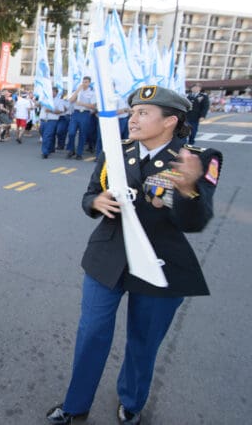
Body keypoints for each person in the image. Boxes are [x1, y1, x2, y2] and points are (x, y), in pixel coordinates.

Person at [46, 85, 223, 425]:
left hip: (161, 264)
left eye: (144, 113)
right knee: (91, 333)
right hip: (107, 256)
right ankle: (75, 403)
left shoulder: (198, 159)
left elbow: (195, 222)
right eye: (132, 112)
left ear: (170, 120)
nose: (133, 119)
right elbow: (90, 195)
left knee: (143, 342)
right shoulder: (116, 150)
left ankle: (132, 400)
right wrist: (95, 203)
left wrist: (185, 188)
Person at [66, 76, 96, 160]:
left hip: (85, 113)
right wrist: (77, 91)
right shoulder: (78, 91)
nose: (84, 84)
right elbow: (71, 100)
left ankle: (79, 153)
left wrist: (82, 104)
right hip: (76, 113)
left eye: (86, 82)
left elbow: (93, 106)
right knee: (71, 132)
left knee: (82, 134)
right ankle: (71, 150)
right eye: (83, 82)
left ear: (89, 83)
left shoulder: (92, 93)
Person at [41, 88, 67, 159]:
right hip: (43, 120)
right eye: (51, 91)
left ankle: (45, 152)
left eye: (54, 92)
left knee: (47, 135)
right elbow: (37, 104)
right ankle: (50, 148)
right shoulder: (44, 99)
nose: (52, 93)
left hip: (52, 120)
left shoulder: (59, 101)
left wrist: (51, 111)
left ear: (56, 93)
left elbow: (61, 111)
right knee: (44, 134)